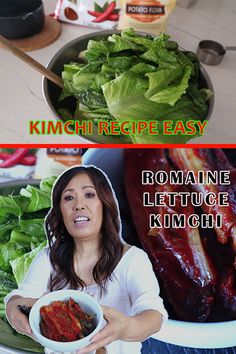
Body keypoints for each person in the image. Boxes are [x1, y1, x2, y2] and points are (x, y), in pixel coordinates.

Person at [5, 165, 168, 354]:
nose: (79, 205)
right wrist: (14, 311)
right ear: (60, 212)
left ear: (105, 204)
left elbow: (154, 316)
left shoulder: (132, 259)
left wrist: (126, 327)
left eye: (89, 195)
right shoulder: (48, 259)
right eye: (68, 198)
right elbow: (20, 298)